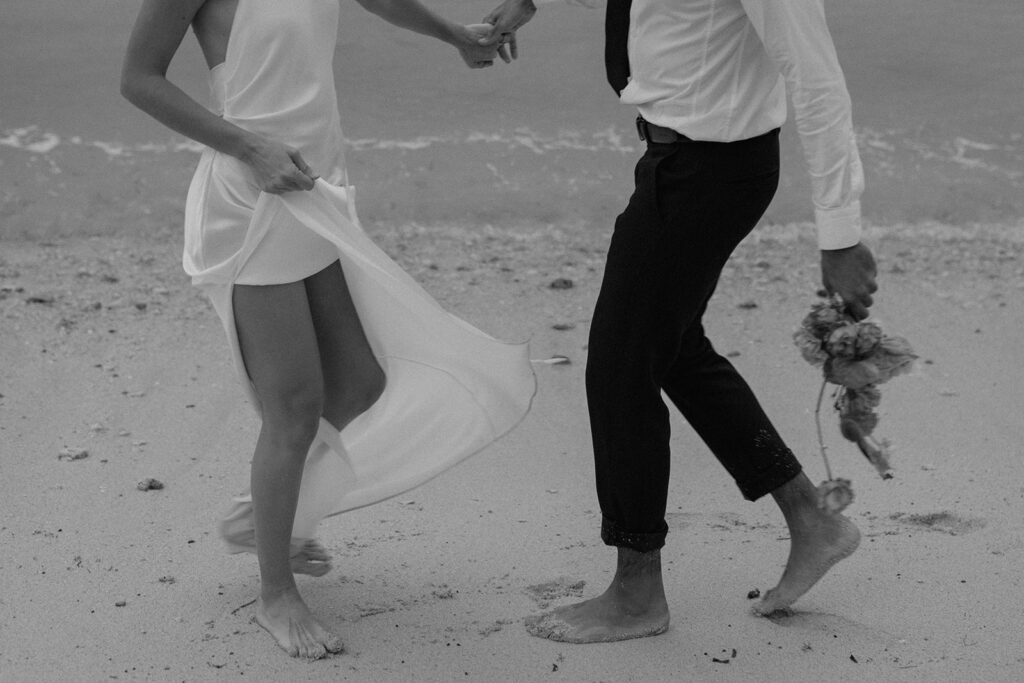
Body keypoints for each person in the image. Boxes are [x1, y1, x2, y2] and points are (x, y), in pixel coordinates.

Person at [121, 0, 534, 659]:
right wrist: (248, 146)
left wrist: (454, 34)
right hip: (250, 194)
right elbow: (139, 78)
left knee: (358, 380)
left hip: (314, 184)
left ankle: (263, 517)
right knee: (294, 406)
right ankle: (275, 591)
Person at [509, 0, 878, 642]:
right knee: (673, 347)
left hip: (708, 173)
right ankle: (812, 519)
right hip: (678, 161)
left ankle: (636, 593)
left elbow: (816, 79)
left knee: (622, 367)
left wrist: (840, 234)